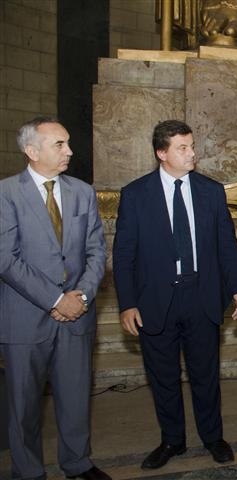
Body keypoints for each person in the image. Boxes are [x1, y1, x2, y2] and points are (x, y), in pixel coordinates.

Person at [113, 120, 237, 469]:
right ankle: (172, 440)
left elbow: (227, 245)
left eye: (192, 146)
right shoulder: (136, 194)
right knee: (163, 378)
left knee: (206, 375)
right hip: (155, 301)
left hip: (202, 297)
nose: (192, 154)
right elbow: (123, 255)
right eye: (182, 148)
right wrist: (127, 303)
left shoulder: (211, 191)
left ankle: (213, 437)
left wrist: (236, 287)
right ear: (162, 153)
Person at [0, 117, 109, 480]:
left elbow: (96, 250)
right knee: (23, 405)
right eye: (59, 144)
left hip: (78, 315)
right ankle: (28, 471)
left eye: (68, 143)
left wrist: (83, 295)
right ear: (32, 151)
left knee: (76, 398)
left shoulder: (82, 192)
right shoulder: (6, 193)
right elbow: (5, 258)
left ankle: (78, 463)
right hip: (25, 319)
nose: (69, 151)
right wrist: (55, 299)